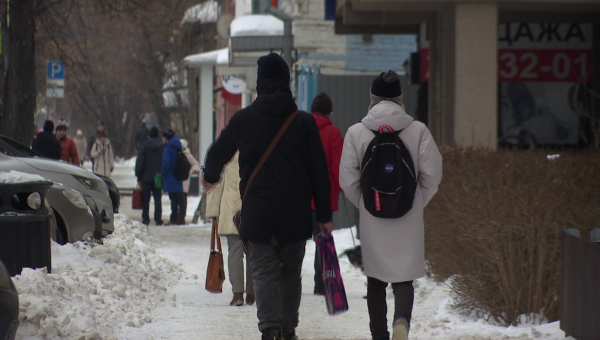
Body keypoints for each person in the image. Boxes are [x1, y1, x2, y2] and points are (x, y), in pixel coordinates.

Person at [201, 53, 333, 340]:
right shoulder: (304, 123)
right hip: (295, 214)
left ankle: (271, 329)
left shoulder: (244, 119)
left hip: (258, 214)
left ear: (260, 83)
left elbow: (217, 152)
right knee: (290, 272)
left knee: (263, 271)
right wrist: (323, 215)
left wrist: (209, 176)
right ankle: (287, 329)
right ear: (287, 83)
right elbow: (320, 172)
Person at [339, 70, 443, 340]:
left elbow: (347, 179)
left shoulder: (356, 131)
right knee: (403, 278)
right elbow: (433, 173)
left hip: (373, 213)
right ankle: (401, 323)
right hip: (408, 212)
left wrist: (364, 202)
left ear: (372, 98)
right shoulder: (418, 130)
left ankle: (379, 335)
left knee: (375, 279)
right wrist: (418, 199)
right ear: (400, 98)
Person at [206, 152, 255, 307]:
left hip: (231, 209)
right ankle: (253, 293)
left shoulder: (227, 151)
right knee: (254, 251)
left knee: (235, 251)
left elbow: (216, 184)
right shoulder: (259, 146)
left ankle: (238, 294)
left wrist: (213, 212)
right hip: (254, 207)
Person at [308, 92, 344, 296]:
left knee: (294, 242)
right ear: (329, 111)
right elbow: (336, 167)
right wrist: (337, 189)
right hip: (325, 198)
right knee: (322, 241)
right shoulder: (334, 133)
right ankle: (320, 284)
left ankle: (290, 281)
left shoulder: (301, 130)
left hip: (300, 197)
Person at [135, 127, 164, 226]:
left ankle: (146, 219)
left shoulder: (144, 146)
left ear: (149, 136)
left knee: (146, 199)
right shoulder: (162, 146)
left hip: (146, 177)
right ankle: (158, 219)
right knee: (158, 199)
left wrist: (139, 177)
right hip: (158, 177)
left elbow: (140, 163)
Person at [161, 128, 186, 225]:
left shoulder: (168, 148)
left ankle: (174, 218)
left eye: (163, 137)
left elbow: (166, 162)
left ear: (166, 138)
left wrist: (162, 172)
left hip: (170, 175)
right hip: (178, 174)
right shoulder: (177, 145)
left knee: (173, 199)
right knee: (179, 197)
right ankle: (180, 218)